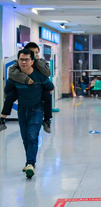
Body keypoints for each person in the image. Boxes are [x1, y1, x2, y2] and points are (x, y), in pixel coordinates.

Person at [3, 49, 54, 178]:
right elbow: (7, 91)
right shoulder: (15, 77)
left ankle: (30, 163)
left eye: (27, 59)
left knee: (32, 136)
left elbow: (50, 87)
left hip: (37, 110)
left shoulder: (39, 76)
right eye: (21, 59)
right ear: (18, 61)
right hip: (22, 110)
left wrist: (45, 97)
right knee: (25, 138)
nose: (24, 62)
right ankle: (31, 162)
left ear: (32, 61)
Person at [0, 42, 52, 133]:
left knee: (47, 95)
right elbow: (12, 73)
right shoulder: (19, 62)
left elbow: (47, 73)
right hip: (22, 88)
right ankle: (2, 119)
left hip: (38, 88)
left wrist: (36, 61)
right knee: (10, 96)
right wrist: (25, 79)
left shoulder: (42, 62)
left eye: (36, 52)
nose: (35, 54)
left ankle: (47, 120)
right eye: (32, 52)